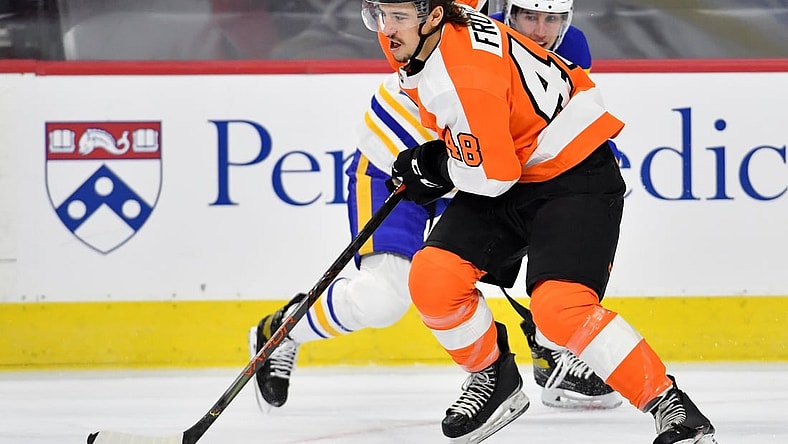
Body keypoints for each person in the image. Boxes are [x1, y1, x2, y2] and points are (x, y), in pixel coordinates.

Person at [360, 1, 717, 443]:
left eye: (399, 18)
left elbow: (494, 176)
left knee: (561, 309)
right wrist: (440, 159)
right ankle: (493, 378)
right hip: (512, 160)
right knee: (434, 279)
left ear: (433, 18)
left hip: (574, 171)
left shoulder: (464, 78)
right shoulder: (435, 21)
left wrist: (435, 167)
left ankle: (672, 407)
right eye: (382, 15)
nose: (387, 29)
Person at [248, 0, 620, 415]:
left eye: (550, 18)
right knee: (382, 298)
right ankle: (282, 330)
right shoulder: (464, 19)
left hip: (473, 174)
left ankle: (550, 350)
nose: (539, 29)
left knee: (556, 239)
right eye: (529, 16)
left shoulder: (569, 46)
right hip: (398, 162)